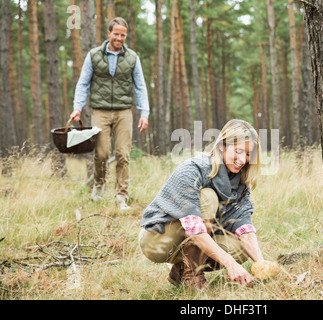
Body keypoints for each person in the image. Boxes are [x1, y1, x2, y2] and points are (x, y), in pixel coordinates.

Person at [139, 119, 267, 290]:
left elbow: (244, 225)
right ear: (222, 146)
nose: (243, 159)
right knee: (208, 196)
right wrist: (230, 264)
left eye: (249, 154)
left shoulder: (241, 181)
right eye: (238, 151)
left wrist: (261, 264)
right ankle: (193, 276)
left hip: (189, 239)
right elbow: (196, 231)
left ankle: (182, 269)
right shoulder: (193, 169)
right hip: (158, 239)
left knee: (241, 250)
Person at [70, 17, 149, 211]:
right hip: (100, 111)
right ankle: (99, 183)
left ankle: (121, 196)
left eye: (123, 35)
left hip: (124, 112)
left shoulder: (132, 58)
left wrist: (144, 113)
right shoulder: (94, 55)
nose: (119, 38)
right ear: (109, 34)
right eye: (116, 34)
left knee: (123, 154)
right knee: (102, 153)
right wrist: (77, 108)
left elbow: (140, 87)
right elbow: (83, 83)